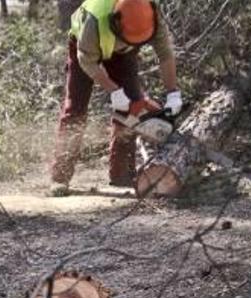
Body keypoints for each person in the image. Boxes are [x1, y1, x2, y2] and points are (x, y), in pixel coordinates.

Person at [50, 0, 181, 195]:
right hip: (84, 48)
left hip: (124, 55)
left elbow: (165, 53)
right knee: (75, 109)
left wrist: (173, 93)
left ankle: (122, 175)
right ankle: (60, 177)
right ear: (116, 23)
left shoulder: (149, 13)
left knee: (132, 107)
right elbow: (87, 62)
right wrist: (114, 90)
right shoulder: (95, 21)